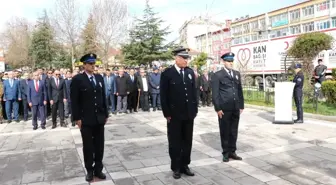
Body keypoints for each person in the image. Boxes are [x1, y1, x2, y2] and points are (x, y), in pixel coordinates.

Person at [160, 47, 198, 179]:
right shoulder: (167, 73)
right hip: (174, 114)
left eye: (187, 58)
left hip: (188, 114)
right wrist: (167, 113)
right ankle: (176, 166)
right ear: (177, 58)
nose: (187, 60)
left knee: (187, 140)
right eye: (184, 58)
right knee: (175, 141)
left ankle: (185, 164)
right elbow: (163, 96)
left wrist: (195, 109)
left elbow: (194, 92)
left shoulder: (189, 72)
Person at [71, 53, 109, 182]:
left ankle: (98, 169)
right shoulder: (77, 79)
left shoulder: (99, 78)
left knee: (99, 146)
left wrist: (106, 114)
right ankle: (89, 170)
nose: (93, 66)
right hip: (85, 119)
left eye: (94, 63)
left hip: (99, 118)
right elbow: (74, 100)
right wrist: (77, 118)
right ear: (84, 65)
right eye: (91, 64)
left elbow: (103, 97)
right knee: (88, 146)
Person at [212, 52, 244, 162]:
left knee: (234, 130)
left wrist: (241, 105)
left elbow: (239, 90)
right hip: (224, 108)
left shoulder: (236, 74)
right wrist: (218, 108)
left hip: (235, 107)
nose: (230, 63)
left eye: (232, 61)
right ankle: (225, 152)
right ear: (223, 62)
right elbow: (215, 94)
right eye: (228, 61)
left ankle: (232, 151)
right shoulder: (218, 75)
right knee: (225, 130)